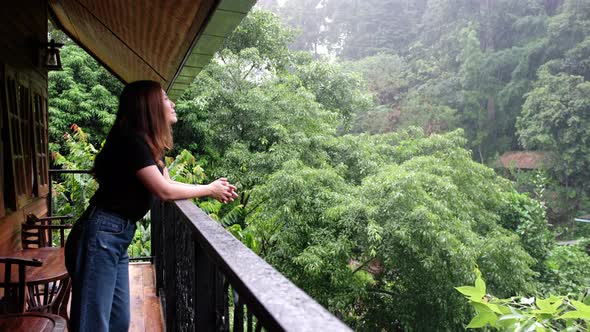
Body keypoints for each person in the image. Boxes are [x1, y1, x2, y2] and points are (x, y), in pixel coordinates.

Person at [64, 80, 238, 332]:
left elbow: (167, 182)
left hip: (116, 237)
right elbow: (164, 191)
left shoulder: (148, 146)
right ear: (150, 105)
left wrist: (208, 187)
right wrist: (209, 190)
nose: (173, 103)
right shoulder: (130, 142)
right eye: (166, 98)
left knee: (118, 322)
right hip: (100, 235)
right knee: (92, 324)